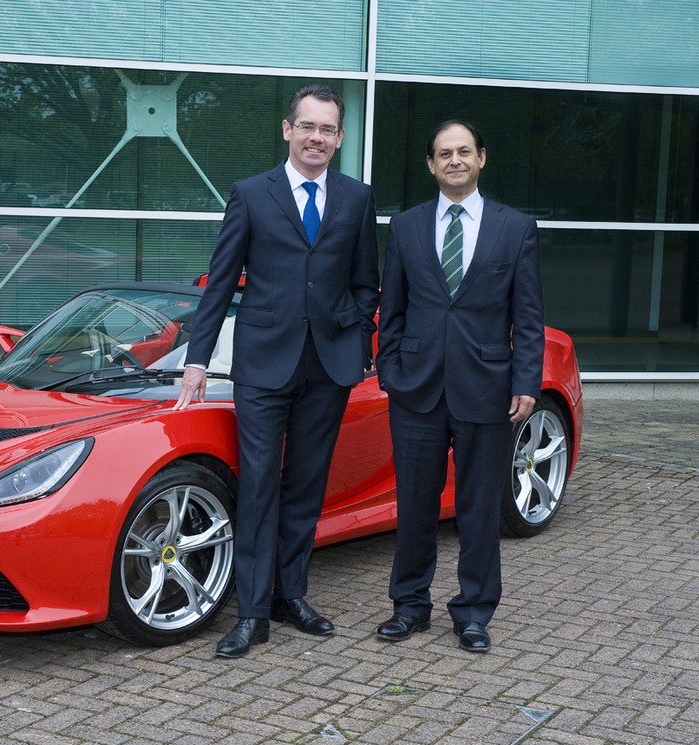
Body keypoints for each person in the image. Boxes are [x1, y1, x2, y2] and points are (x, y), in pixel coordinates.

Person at [174, 85, 380, 658]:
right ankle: (252, 613)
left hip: (329, 365)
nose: (317, 137)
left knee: (307, 484)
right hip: (263, 364)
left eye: (327, 129)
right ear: (288, 130)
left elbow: (366, 281)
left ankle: (292, 595)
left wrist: (357, 336)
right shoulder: (250, 194)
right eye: (307, 126)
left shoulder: (357, 198)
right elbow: (220, 283)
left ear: (340, 138)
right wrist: (196, 360)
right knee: (261, 485)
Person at [374, 120, 544, 653]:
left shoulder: (515, 228)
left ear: (481, 158)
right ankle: (409, 606)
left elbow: (529, 316)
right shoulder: (406, 226)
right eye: (444, 153)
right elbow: (392, 308)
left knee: (478, 507)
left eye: (464, 151)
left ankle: (473, 612)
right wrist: (389, 371)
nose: (455, 161)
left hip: (488, 389)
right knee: (415, 505)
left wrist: (527, 381)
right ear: (431, 164)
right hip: (416, 391)